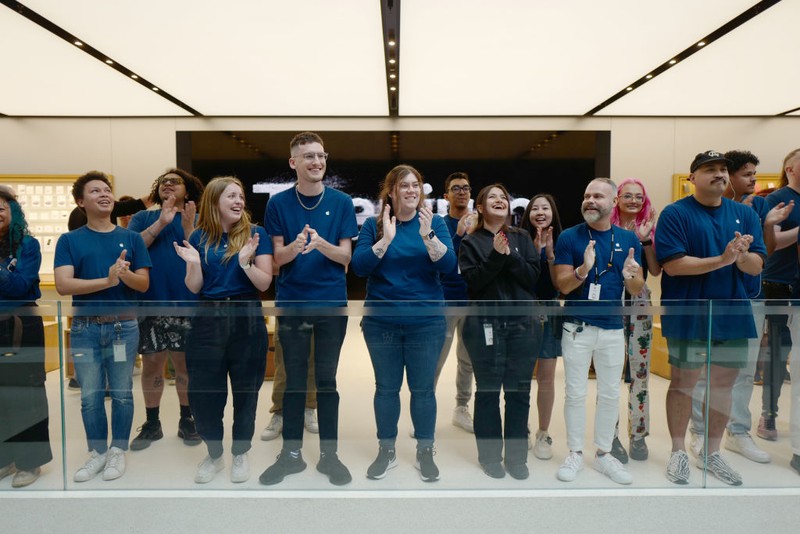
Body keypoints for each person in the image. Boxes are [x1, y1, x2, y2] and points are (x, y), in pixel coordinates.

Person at [657, 150, 766, 486]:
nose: (718, 174)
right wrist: (722, 259)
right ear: (692, 178)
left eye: (722, 169)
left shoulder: (743, 214)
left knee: (723, 387)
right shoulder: (675, 214)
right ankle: (678, 451)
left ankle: (711, 453)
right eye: (709, 169)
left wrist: (741, 256)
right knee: (683, 385)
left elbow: (757, 265)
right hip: (690, 312)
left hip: (732, 313)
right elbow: (674, 265)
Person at [259, 132, 357, 486]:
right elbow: (274, 263)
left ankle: (329, 456)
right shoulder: (278, 204)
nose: (316, 162)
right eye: (308, 157)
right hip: (292, 305)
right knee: (294, 383)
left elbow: (346, 257)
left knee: (327, 382)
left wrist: (320, 244)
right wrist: (297, 246)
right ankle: (291, 455)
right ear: (293, 163)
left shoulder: (343, 202)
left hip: (331, 304)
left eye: (320, 156)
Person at [352, 164, 456, 482]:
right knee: (386, 389)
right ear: (392, 191)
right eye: (404, 185)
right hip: (381, 322)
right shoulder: (375, 224)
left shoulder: (434, 222)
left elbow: (450, 266)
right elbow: (359, 267)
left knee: (423, 390)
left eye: (416, 185)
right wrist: (386, 239)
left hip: (426, 322)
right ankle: (387, 450)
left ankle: (425, 451)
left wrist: (428, 238)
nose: (411, 190)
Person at [689, 151, 789, 465]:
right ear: (729, 177)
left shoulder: (758, 206)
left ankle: (738, 430)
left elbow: (764, 258)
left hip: (750, 298)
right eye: (746, 174)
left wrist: (768, 225)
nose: (753, 181)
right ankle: (700, 430)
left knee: (744, 371)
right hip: (713, 299)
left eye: (754, 174)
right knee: (705, 371)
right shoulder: (702, 210)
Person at [173, 176, 272, 484]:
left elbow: (265, 283)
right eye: (231, 196)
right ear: (214, 201)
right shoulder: (200, 237)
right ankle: (214, 453)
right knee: (204, 392)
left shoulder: (257, 234)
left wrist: (245, 264)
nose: (238, 201)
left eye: (240, 196)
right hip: (208, 319)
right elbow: (195, 287)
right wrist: (192, 264)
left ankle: (240, 452)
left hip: (246, 316)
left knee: (246, 389)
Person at [54, 171, 151, 483]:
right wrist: (106, 280)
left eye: (108, 189)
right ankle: (97, 452)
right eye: (95, 191)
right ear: (81, 202)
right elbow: (63, 285)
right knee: (89, 395)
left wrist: (122, 276)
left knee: (122, 393)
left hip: (124, 326)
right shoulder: (70, 240)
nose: (105, 194)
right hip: (84, 328)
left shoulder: (133, 238)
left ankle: (117, 450)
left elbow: (144, 284)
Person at [553, 177, 643, 485]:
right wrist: (583, 269)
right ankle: (575, 451)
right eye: (587, 195)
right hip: (576, 328)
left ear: (613, 202)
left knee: (609, 393)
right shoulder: (569, 237)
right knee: (575, 392)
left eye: (598, 196)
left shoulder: (629, 240)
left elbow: (636, 286)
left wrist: (632, 276)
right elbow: (562, 285)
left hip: (612, 330)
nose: (590, 200)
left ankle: (604, 454)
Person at [459, 184, 540, 479]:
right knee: (489, 391)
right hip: (485, 326)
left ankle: (517, 459)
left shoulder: (522, 237)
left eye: (503, 197)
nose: (499, 201)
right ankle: (490, 456)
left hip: (522, 326)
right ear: (480, 207)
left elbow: (532, 277)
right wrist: (495, 255)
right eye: (491, 197)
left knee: (519, 392)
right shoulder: (471, 242)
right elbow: (475, 283)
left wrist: (509, 255)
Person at [127, 169, 205, 450]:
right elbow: (133, 251)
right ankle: (152, 423)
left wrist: (187, 228)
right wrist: (161, 222)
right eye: (163, 181)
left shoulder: (198, 217)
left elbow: (205, 257)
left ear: (188, 189)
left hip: (189, 304)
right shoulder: (143, 218)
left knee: (184, 365)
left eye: (175, 181)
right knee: (152, 365)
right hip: (150, 303)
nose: (168, 184)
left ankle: (187, 419)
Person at [0, 186, 53, 488]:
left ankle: (30, 462)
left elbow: (22, 287)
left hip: (22, 326)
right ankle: (4, 458)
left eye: (1, 207)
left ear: (13, 212)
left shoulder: (27, 246)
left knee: (27, 393)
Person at [608, 178, 660, 462]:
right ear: (617, 199)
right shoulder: (607, 228)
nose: (633, 201)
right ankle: (611, 435)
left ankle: (638, 435)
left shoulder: (648, 229)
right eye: (627, 196)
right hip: (612, 302)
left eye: (638, 197)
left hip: (639, 301)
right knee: (611, 374)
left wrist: (646, 239)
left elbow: (655, 268)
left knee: (640, 374)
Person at [759, 148, 800, 443]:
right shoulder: (777, 199)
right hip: (779, 284)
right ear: (790, 169)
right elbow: (772, 242)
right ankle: (768, 415)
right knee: (779, 354)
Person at [520, 193, 563, 460]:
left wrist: (549, 254)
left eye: (545, 207)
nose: (539, 212)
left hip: (551, 312)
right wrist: (534, 250)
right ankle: (520, 427)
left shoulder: (564, 240)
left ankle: (543, 432)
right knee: (522, 376)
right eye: (534, 208)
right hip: (523, 314)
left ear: (552, 213)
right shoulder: (518, 239)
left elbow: (560, 285)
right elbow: (521, 280)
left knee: (546, 377)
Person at [434, 171, 476, 433]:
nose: (462, 191)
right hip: (445, 301)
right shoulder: (439, 225)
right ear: (446, 195)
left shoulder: (481, 224)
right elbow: (440, 261)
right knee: (436, 359)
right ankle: (425, 408)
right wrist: (459, 234)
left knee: (468, 359)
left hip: (473, 301)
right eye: (456, 188)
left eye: (466, 187)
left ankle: (462, 408)